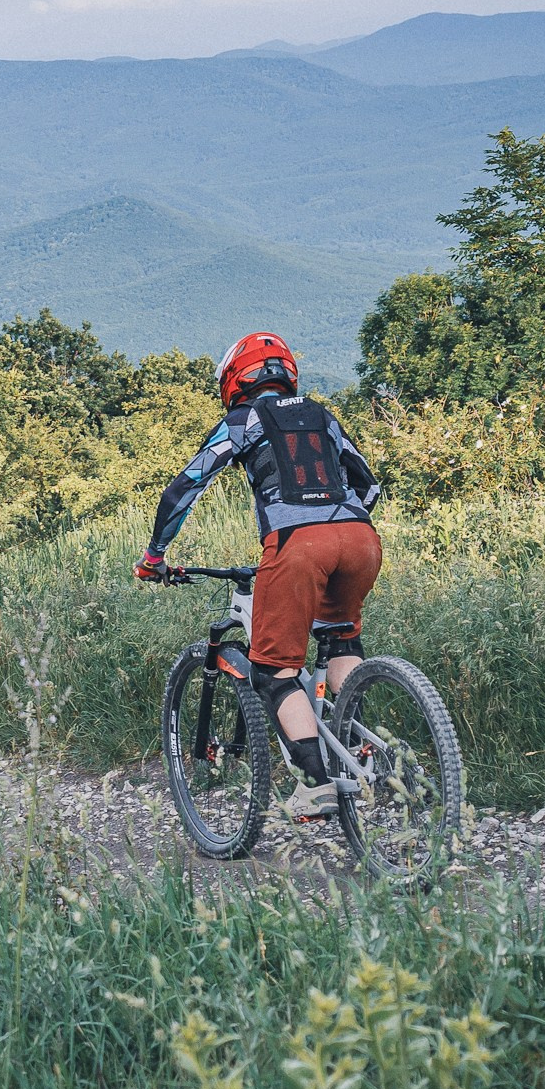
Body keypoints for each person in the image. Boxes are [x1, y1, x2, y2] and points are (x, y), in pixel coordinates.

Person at [135, 332, 382, 820]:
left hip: (296, 547)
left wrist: (155, 556)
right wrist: (338, 523)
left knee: (273, 672)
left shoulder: (241, 420)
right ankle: (362, 750)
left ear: (235, 380)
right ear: (286, 372)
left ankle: (316, 784)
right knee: (339, 640)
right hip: (361, 540)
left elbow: (185, 487)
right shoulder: (321, 414)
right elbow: (367, 484)